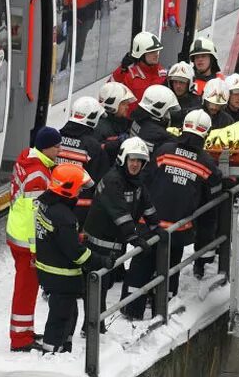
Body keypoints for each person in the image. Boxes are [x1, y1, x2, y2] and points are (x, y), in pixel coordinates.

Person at [122, 110, 223, 318]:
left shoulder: (163, 151)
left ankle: (131, 309)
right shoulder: (208, 165)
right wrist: (204, 248)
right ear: (206, 133)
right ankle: (162, 308)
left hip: (149, 224)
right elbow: (209, 210)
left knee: (140, 265)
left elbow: (144, 181)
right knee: (169, 270)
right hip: (177, 231)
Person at [35, 164, 113, 353]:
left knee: (68, 313)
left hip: (49, 271)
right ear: (67, 189)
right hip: (62, 276)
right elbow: (77, 253)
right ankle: (52, 353)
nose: (80, 192)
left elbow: (57, 238)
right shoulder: (64, 216)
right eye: (78, 188)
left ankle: (64, 348)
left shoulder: (46, 204)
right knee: (61, 317)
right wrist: (102, 261)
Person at [82, 137, 158, 332]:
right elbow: (119, 213)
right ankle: (92, 328)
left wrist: (157, 227)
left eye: (139, 161)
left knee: (103, 285)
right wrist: (134, 238)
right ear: (124, 159)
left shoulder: (135, 181)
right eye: (132, 159)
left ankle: (95, 326)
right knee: (97, 286)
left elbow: (146, 204)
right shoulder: (112, 180)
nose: (135, 164)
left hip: (113, 242)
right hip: (99, 243)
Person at [6, 126, 61, 352]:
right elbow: (33, 215)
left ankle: (25, 331)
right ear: (46, 147)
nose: (59, 150)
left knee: (26, 288)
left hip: (17, 234)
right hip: (27, 241)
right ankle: (20, 339)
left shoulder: (29, 161)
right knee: (26, 289)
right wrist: (36, 248)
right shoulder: (38, 174)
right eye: (56, 146)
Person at [57, 97, 109, 225]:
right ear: (93, 119)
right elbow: (101, 182)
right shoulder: (93, 147)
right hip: (80, 210)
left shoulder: (56, 138)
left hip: (53, 204)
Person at [111, 32, 167, 114]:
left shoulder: (163, 74)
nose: (156, 55)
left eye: (157, 51)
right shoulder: (129, 74)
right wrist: (122, 70)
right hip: (131, 123)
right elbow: (109, 91)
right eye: (152, 52)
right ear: (141, 54)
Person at [128, 85, 180, 156]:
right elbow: (178, 145)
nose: (168, 114)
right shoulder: (161, 135)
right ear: (158, 108)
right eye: (167, 110)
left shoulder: (137, 119)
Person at [95, 82, 136, 163]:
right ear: (112, 105)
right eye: (124, 104)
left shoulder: (125, 122)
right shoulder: (100, 128)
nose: (127, 107)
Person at [166, 62, 200, 128]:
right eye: (175, 82)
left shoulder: (197, 102)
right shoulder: (165, 98)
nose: (178, 86)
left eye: (182, 82)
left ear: (189, 84)